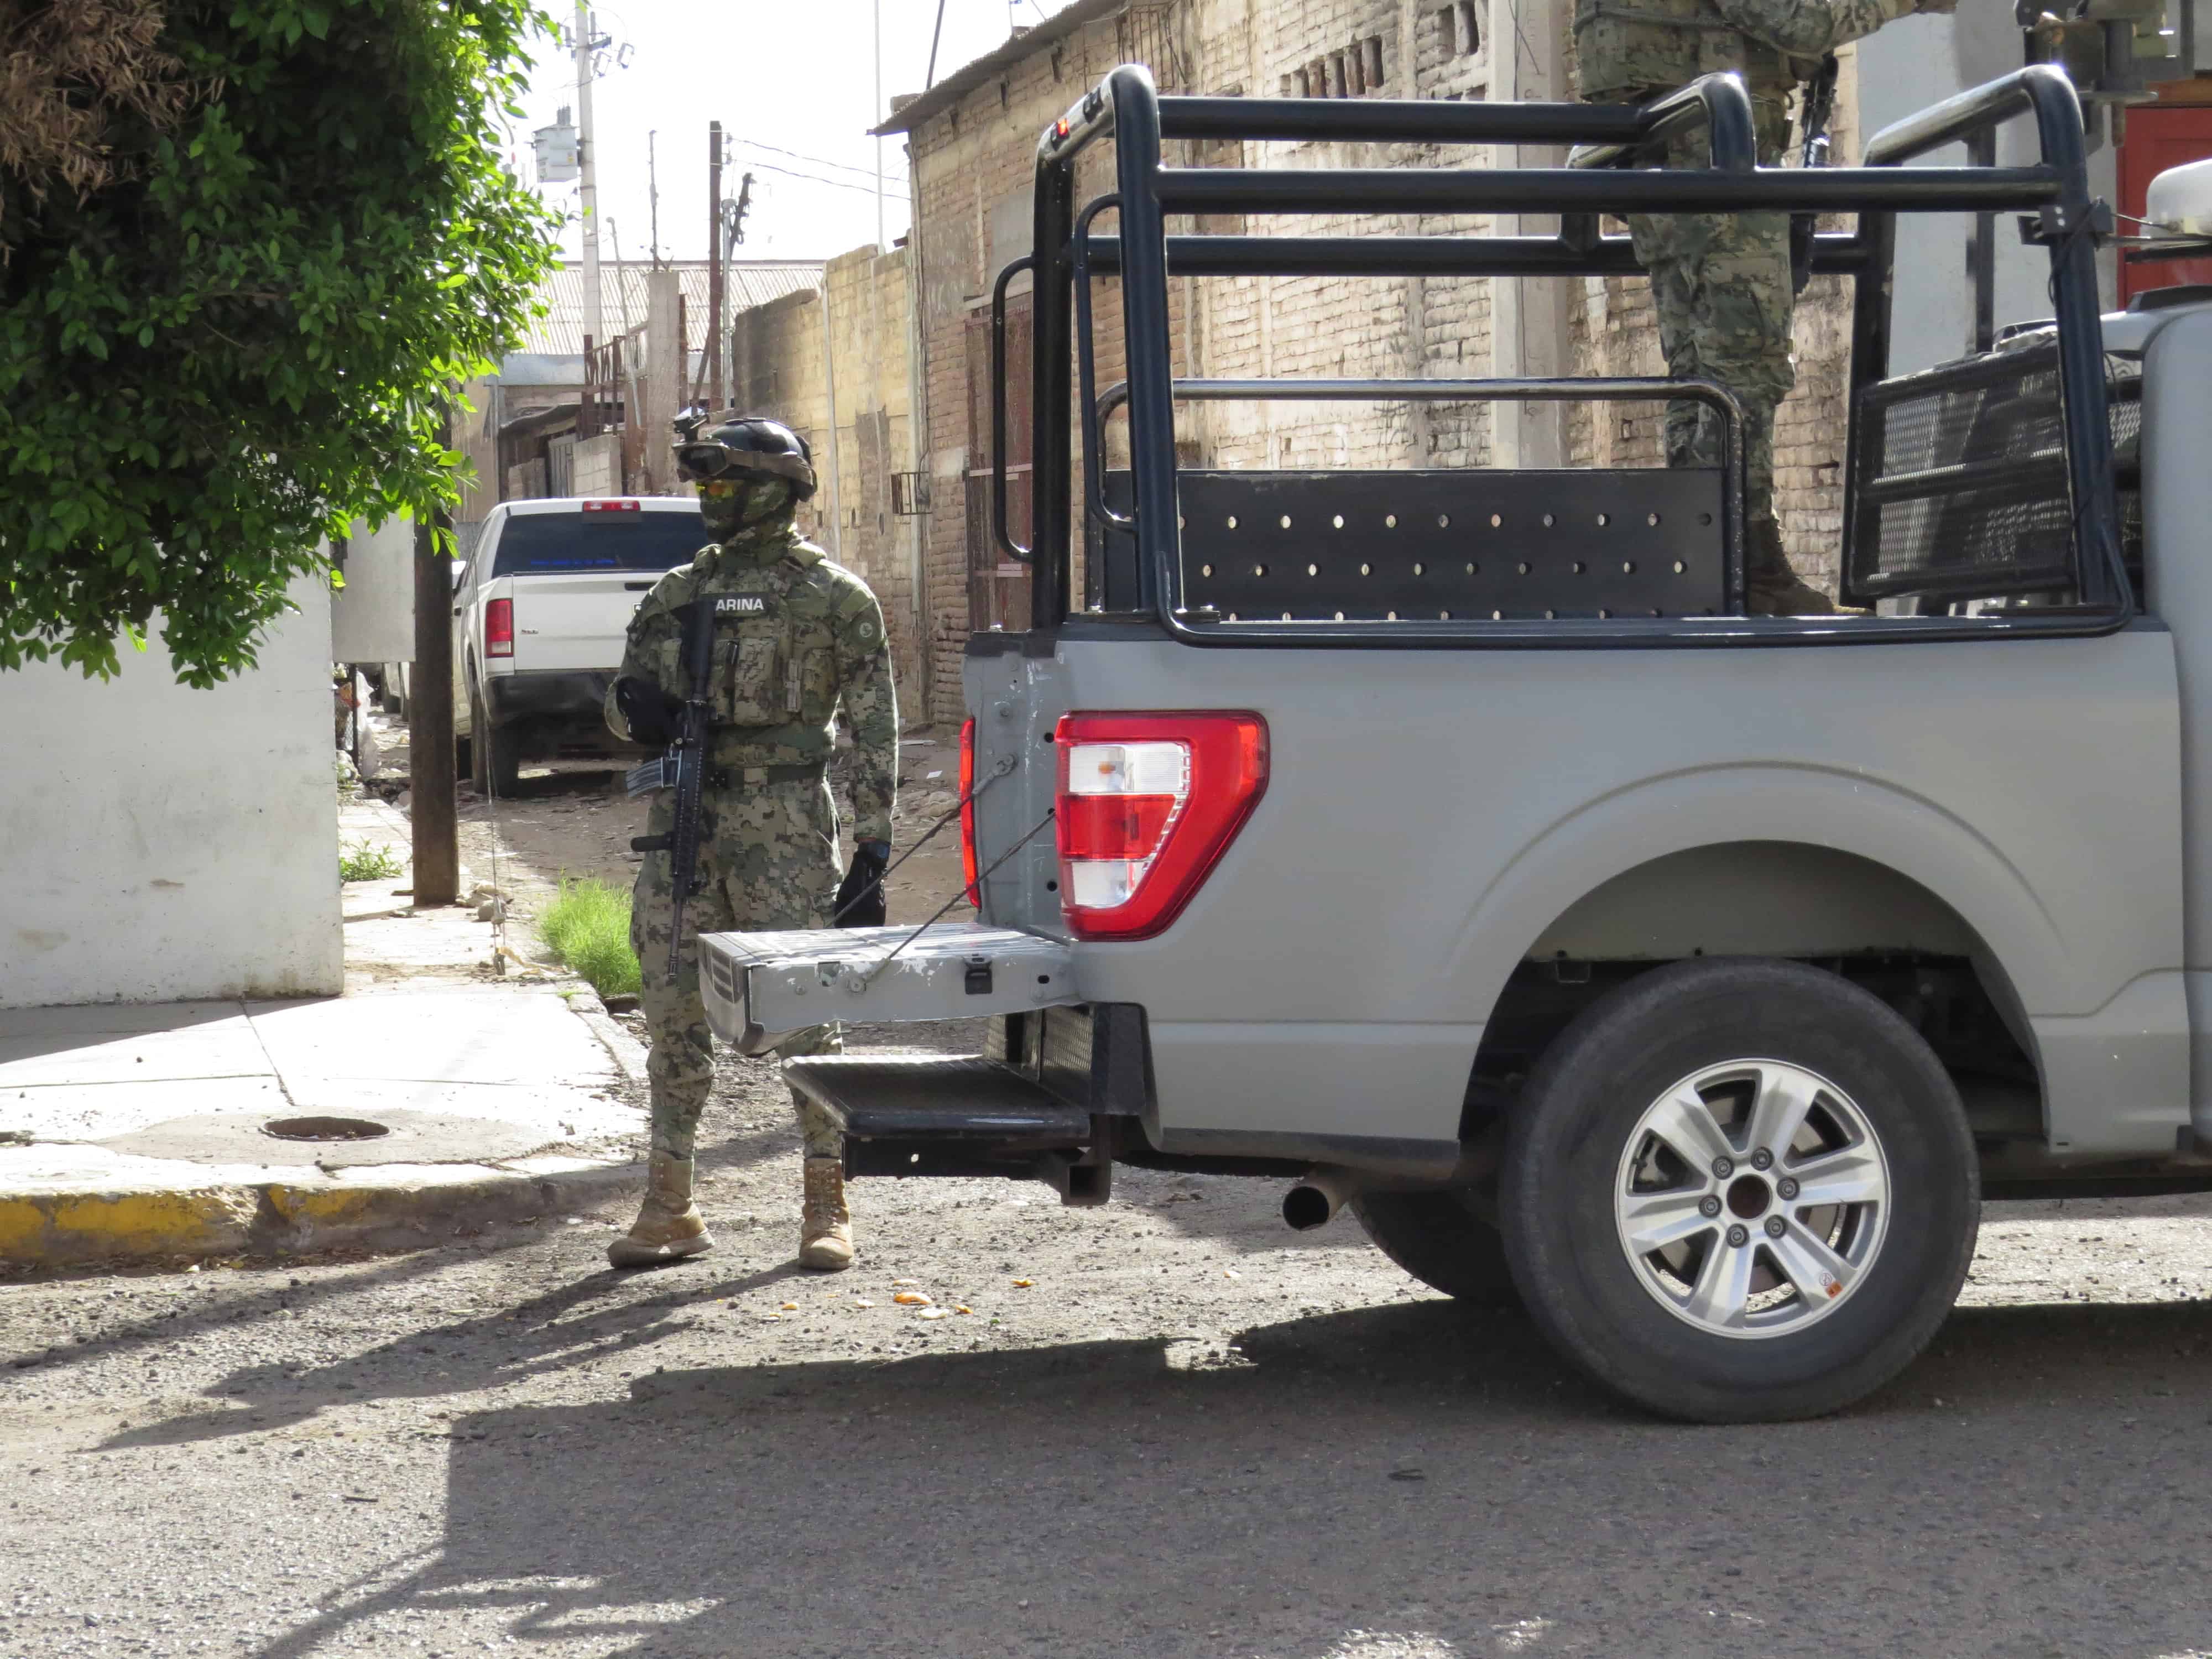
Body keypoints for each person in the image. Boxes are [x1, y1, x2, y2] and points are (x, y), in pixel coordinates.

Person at [602, 416, 898, 1273]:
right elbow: (625, 700)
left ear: (777, 486)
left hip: (789, 832)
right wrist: (634, 711)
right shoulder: (676, 594)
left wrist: (873, 847)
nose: (709, 498)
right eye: (703, 483)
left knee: (806, 1014)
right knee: (672, 1012)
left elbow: (871, 729)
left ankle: (825, 1199)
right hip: (685, 828)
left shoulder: (837, 597)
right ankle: (670, 1203)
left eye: (725, 482)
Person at [1577, 0, 1956, 613]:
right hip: (1706, 140)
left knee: (1701, 369)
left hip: (1673, 136)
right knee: (1746, 361)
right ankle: (1742, 564)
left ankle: (1697, 554)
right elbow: (1795, 21)